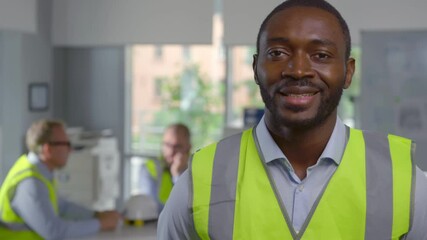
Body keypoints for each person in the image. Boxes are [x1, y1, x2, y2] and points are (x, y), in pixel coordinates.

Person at [157, 0, 427, 239]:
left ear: (348, 72)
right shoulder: (199, 181)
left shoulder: (405, 182)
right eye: (278, 53)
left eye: (320, 55)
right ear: (255, 68)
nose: (298, 70)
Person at [0, 119, 121, 239]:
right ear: (47, 149)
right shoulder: (31, 182)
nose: (70, 150)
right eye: (66, 144)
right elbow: (54, 232)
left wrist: (96, 215)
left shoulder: (40, 173)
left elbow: (62, 206)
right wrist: (101, 224)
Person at [139, 123, 191, 213]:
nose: (171, 151)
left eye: (177, 146)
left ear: (188, 148)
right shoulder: (149, 168)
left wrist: (178, 175)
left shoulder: (196, 168)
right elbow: (151, 209)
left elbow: (190, 209)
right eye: (167, 144)